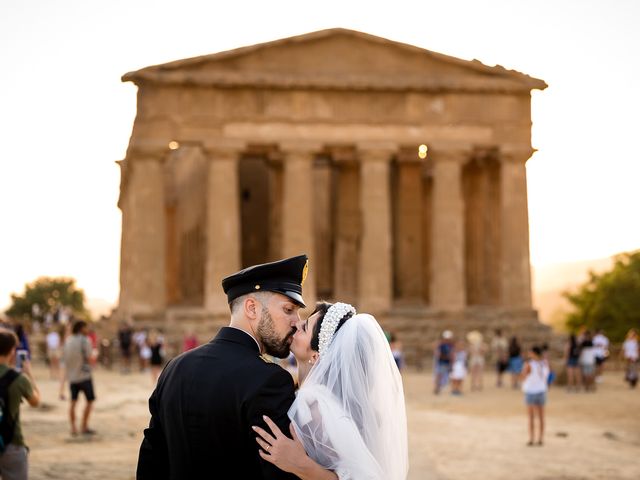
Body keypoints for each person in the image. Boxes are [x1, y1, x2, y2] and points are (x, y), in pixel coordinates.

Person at [137, 254, 312, 479]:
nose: (297, 321)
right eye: (289, 309)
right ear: (252, 308)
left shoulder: (174, 368)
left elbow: (151, 462)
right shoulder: (269, 380)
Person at [254, 301, 408, 479]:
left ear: (316, 355)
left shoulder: (315, 403)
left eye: (304, 328)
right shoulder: (321, 396)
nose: (296, 324)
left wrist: (300, 464)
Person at [0, 327, 40, 480]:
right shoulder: (19, 379)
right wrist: (29, 375)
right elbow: (35, 402)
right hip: (12, 442)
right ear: (12, 351)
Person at [63, 320, 97, 436]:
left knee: (73, 402)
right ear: (82, 328)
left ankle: (73, 428)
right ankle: (84, 426)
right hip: (84, 376)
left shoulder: (68, 341)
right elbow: (89, 357)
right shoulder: (85, 340)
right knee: (90, 401)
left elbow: (65, 359)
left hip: (72, 377)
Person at [520, 345, 549, 446]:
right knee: (541, 417)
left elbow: (523, 376)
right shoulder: (544, 363)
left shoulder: (529, 364)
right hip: (541, 390)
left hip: (531, 391)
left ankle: (531, 438)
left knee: (531, 417)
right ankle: (540, 438)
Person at [433, 330, 454, 395]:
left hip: (447, 363)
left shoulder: (450, 345)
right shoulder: (441, 345)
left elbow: (452, 354)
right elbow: (437, 353)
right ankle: (437, 388)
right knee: (439, 375)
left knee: (447, 376)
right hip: (441, 362)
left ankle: (442, 388)